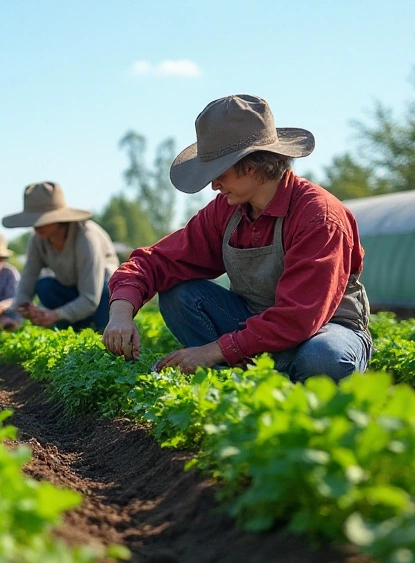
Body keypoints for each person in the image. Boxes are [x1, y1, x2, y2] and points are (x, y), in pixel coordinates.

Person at [103, 94, 372, 382]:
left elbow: (299, 318)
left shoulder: (319, 217)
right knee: (180, 296)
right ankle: (242, 385)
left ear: (252, 166)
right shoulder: (226, 211)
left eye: (218, 172)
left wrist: (213, 351)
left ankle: (271, 379)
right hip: (253, 326)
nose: (213, 184)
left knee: (324, 358)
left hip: (324, 327)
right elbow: (158, 261)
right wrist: (121, 310)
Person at [2, 181, 120, 331]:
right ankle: (71, 328)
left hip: (103, 295)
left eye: (42, 219)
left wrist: (55, 315)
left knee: (102, 329)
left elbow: (91, 299)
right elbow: (28, 279)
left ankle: (97, 328)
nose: (36, 226)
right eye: (33, 220)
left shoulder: (85, 238)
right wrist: (22, 308)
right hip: (73, 292)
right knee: (44, 286)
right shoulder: (37, 240)